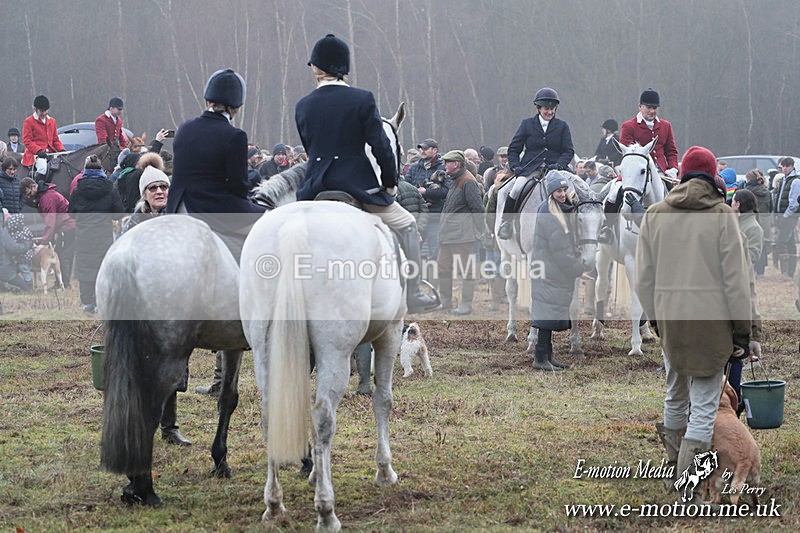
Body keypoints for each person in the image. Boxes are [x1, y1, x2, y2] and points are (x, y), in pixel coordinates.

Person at [636, 146, 751, 502]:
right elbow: (736, 281)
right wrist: (742, 333)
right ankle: (688, 485)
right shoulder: (722, 216)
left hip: (671, 324)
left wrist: (656, 320)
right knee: (703, 406)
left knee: (674, 395)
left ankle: (676, 469)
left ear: (682, 175)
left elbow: (643, 280)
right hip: (711, 327)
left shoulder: (654, 214)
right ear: (713, 176)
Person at [295, 33, 438, 314]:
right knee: (408, 223)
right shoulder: (362, 99)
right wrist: (389, 184)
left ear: (317, 67)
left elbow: (310, 148)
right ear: (343, 67)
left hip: (314, 189)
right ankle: (414, 292)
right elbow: (381, 147)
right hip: (356, 187)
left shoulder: (303, 104)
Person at [166, 68, 266, 262]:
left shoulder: (184, 128)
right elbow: (238, 186)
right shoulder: (235, 136)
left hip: (176, 206)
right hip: (211, 209)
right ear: (236, 107)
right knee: (271, 223)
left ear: (208, 100)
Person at [498, 87, 575, 240]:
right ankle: (506, 222)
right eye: (546, 108)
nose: (550, 112)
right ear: (539, 108)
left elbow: (568, 151)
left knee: (576, 191)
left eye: (552, 109)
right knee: (516, 189)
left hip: (556, 169)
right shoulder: (527, 124)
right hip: (531, 168)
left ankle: (578, 227)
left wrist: (559, 165)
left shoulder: (562, 126)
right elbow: (514, 149)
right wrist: (515, 166)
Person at [530, 172, 586, 371]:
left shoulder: (556, 208)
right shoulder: (551, 215)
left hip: (550, 269)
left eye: (564, 190)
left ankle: (547, 356)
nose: (562, 194)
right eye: (558, 191)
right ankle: (540, 358)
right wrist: (578, 269)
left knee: (549, 311)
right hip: (550, 270)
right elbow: (560, 251)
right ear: (550, 192)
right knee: (547, 314)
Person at [68, 155, 125, 313]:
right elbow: (118, 213)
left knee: (85, 267)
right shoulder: (110, 189)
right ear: (101, 170)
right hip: (103, 236)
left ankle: (87, 303)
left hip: (83, 236)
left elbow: (71, 213)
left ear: (84, 170)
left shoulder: (77, 190)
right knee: (102, 268)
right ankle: (101, 302)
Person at [436, 150, 484, 315]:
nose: (444, 165)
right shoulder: (456, 179)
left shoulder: (468, 181)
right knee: (442, 267)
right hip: (448, 234)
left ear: (456, 164)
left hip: (462, 235)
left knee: (466, 271)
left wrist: (480, 230)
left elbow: (477, 208)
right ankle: (445, 301)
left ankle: (466, 305)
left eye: (447, 162)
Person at [19, 176, 75, 289]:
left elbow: (50, 222)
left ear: (33, 186)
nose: (28, 196)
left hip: (67, 226)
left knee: (63, 255)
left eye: (28, 193)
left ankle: (64, 284)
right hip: (65, 226)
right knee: (61, 253)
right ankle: (61, 283)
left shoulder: (47, 198)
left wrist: (43, 242)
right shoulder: (44, 196)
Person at [619, 88, 678, 178]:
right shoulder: (628, 126)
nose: (652, 111)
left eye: (655, 108)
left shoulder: (666, 125)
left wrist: (673, 168)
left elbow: (671, 151)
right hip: (636, 174)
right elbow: (626, 153)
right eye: (648, 107)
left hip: (661, 173)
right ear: (640, 106)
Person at [406, 138, 447, 260]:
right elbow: (406, 187)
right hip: (417, 216)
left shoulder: (443, 168)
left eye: (425, 148)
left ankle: (433, 272)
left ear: (435, 150)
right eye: (421, 148)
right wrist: (418, 193)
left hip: (435, 215)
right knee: (412, 252)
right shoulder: (413, 168)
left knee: (435, 253)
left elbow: (446, 191)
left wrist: (426, 192)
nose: (422, 151)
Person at [21, 95, 66, 174]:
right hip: (36, 155)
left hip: (51, 153)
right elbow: (27, 140)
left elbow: (55, 140)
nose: (44, 113)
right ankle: (38, 181)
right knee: (42, 168)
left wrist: (62, 150)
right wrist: (38, 151)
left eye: (45, 111)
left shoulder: (52, 121)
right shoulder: (29, 121)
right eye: (42, 111)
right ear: (35, 109)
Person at [774, 156, 799, 280]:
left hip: (789, 216)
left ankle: (786, 273)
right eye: (782, 166)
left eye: (787, 166)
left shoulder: (796, 181)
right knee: (790, 242)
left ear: (792, 166)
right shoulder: (783, 179)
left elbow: (794, 202)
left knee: (782, 241)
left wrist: (786, 215)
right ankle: (789, 273)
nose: (784, 168)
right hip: (782, 215)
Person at [744, 168, 772, 277]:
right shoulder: (766, 191)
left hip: (750, 220)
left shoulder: (746, 192)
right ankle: (761, 272)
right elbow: (771, 208)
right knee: (762, 245)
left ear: (749, 180)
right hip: (764, 220)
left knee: (749, 244)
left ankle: (751, 269)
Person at [1, 208, 33, 293]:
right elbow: (13, 248)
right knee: (24, 287)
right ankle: (16, 287)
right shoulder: (3, 231)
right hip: (4, 268)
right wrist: (27, 246)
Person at [95, 97, 128, 164]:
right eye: (119, 109)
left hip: (115, 149)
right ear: (111, 108)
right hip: (105, 151)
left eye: (121, 109)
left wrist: (125, 147)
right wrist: (114, 148)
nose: (120, 111)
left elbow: (120, 136)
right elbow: (102, 138)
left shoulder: (119, 121)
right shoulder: (101, 120)